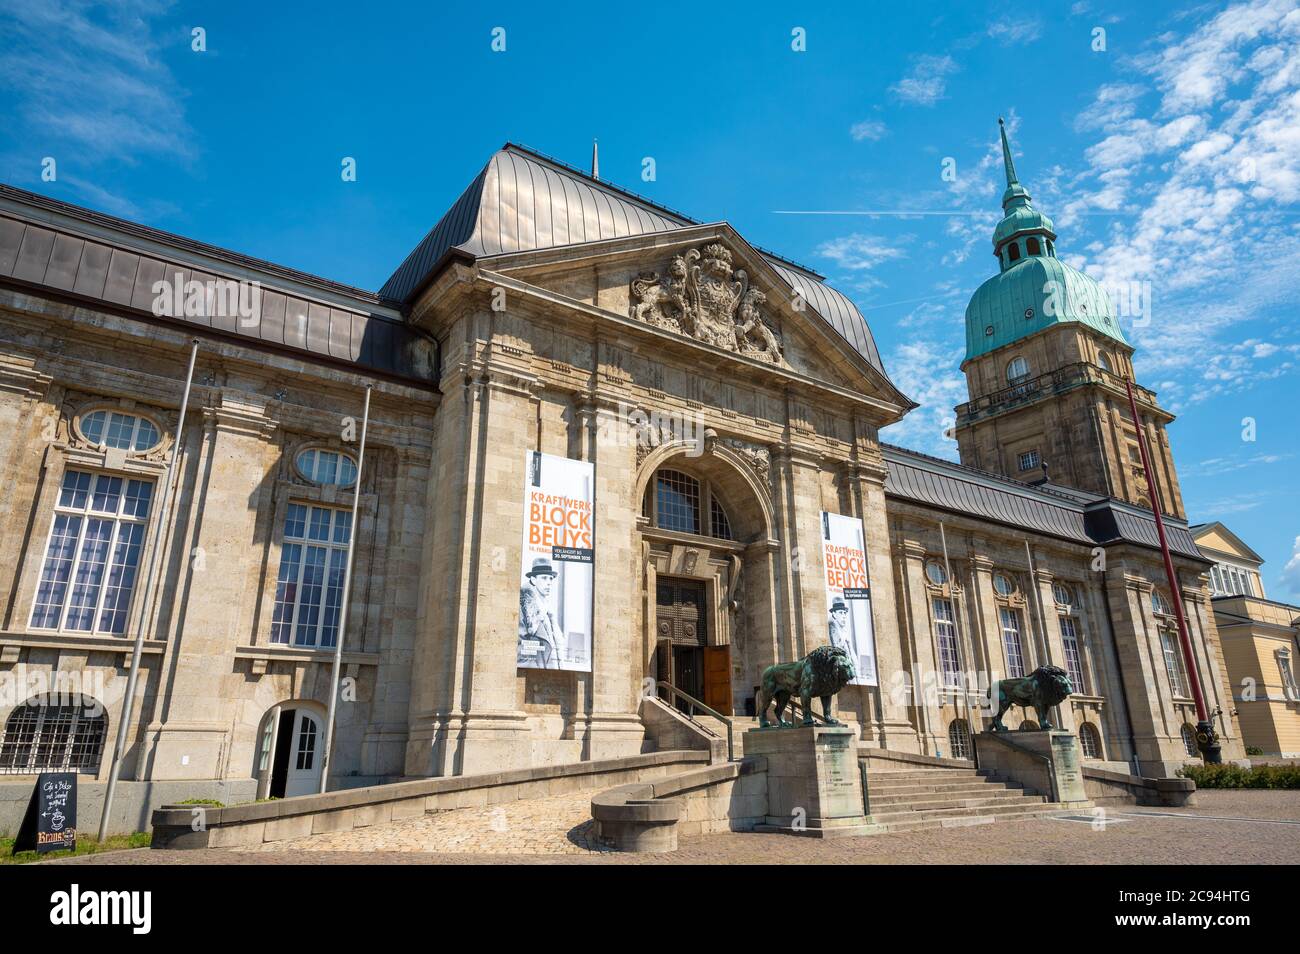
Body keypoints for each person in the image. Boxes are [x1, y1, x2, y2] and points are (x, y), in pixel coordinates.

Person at [519, 558, 563, 668]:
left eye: (551, 578)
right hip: (535, 674)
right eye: (544, 578)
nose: (549, 583)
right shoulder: (524, 608)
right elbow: (520, 648)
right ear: (533, 580)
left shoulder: (547, 611)